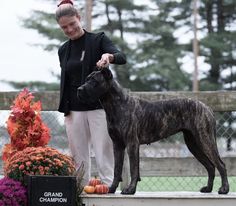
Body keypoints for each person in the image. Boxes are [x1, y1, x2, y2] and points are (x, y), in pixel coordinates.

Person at [55, 0, 126, 186]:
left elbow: (122, 57)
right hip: (73, 110)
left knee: (104, 152)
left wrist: (108, 56)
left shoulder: (98, 39)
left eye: (72, 24)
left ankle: (110, 190)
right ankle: (80, 192)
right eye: (64, 27)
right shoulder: (63, 50)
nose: (69, 29)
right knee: (78, 158)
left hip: (99, 108)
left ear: (79, 18)